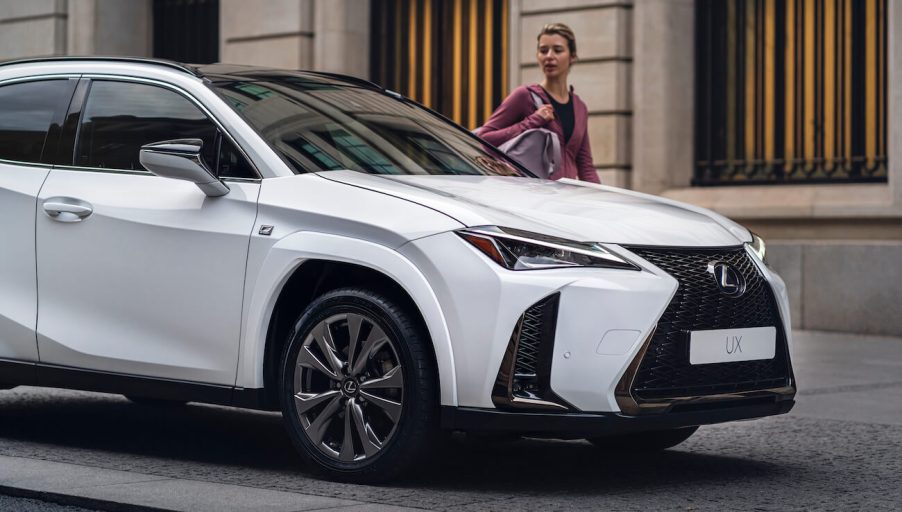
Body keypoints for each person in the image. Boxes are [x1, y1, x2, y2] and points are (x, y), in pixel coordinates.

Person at [478, 23, 600, 183]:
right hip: (532, 196)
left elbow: (585, 165)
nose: (549, 56)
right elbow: (483, 139)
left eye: (557, 50)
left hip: (567, 199)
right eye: (543, 51)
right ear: (538, 56)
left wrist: (602, 202)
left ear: (572, 56)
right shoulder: (524, 96)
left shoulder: (580, 108)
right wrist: (533, 121)